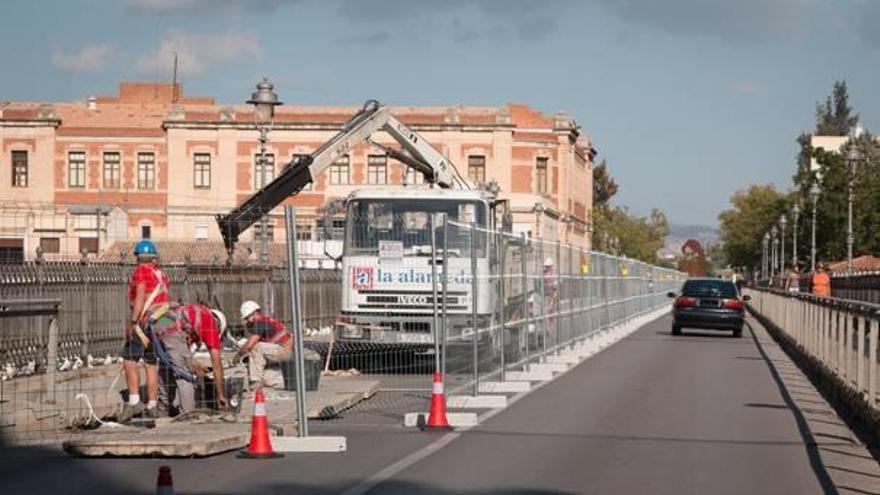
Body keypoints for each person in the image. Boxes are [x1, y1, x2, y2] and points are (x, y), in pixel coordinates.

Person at [119, 240, 169, 423]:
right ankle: (152, 405)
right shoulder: (161, 274)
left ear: (138, 257)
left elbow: (140, 296)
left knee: (130, 360)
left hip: (144, 322)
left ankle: (134, 402)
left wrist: (133, 322)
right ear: (154, 256)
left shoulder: (141, 272)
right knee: (151, 363)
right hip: (160, 321)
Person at [155, 303, 229, 415]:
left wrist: (194, 364)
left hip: (159, 323)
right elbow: (217, 365)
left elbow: (181, 354)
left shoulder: (196, 314)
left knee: (167, 370)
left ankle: (162, 412)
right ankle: (188, 415)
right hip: (171, 328)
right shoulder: (211, 323)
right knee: (185, 376)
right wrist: (220, 395)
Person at [236, 301, 294, 388]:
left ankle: (255, 381)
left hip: (284, 350)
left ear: (255, 313)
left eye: (248, 317)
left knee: (256, 347)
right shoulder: (265, 321)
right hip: (284, 351)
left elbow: (250, 344)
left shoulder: (260, 322)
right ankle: (286, 381)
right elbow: (250, 340)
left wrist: (239, 355)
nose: (247, 321)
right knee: (266, 377)